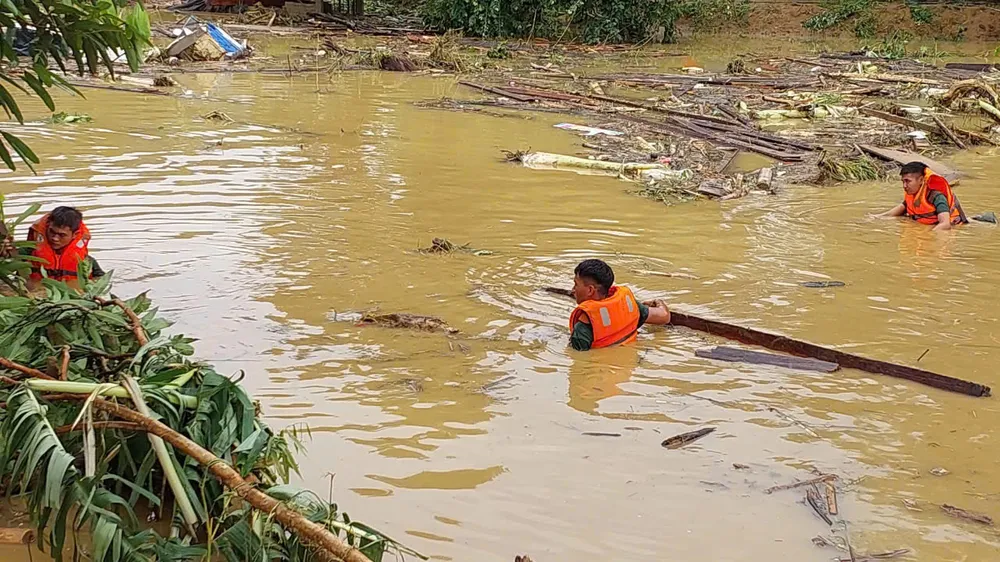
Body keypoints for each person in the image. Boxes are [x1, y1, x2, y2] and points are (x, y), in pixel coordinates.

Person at [569, 259, 671, 351]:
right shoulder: (627, 305)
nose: (572, 290)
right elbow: (664, 316)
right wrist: (658, 302)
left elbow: (579, 361)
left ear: (590, 290)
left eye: (576, 284)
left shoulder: (583, 328)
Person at [878, 161, 966, 231]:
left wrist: (926, 237)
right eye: (903, 182)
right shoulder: (912, 195)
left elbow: (945, 224)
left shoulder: (937, 197)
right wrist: (876, 218)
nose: (904, 186)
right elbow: (892, 214)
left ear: (921, 180)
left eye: (908, 181)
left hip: (954, 227)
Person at [27, 206, 104, 284]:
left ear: (75, 234)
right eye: (52, 232)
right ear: (48, 226)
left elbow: (102, 280)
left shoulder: (85, 261)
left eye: (62, 235)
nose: (55, 238)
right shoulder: (28, 253)